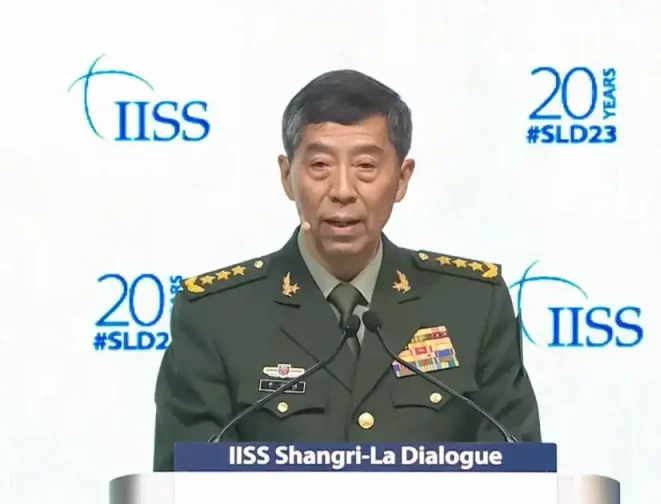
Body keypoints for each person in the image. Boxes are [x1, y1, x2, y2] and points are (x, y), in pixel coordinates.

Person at [153, 69, 541, 471]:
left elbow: (518, 474)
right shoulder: (215, 316)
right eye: (320, 165)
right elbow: (185, 481)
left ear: (402, 179)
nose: (342, 190)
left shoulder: (472, 305)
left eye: (366, 166)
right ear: (287, 177)